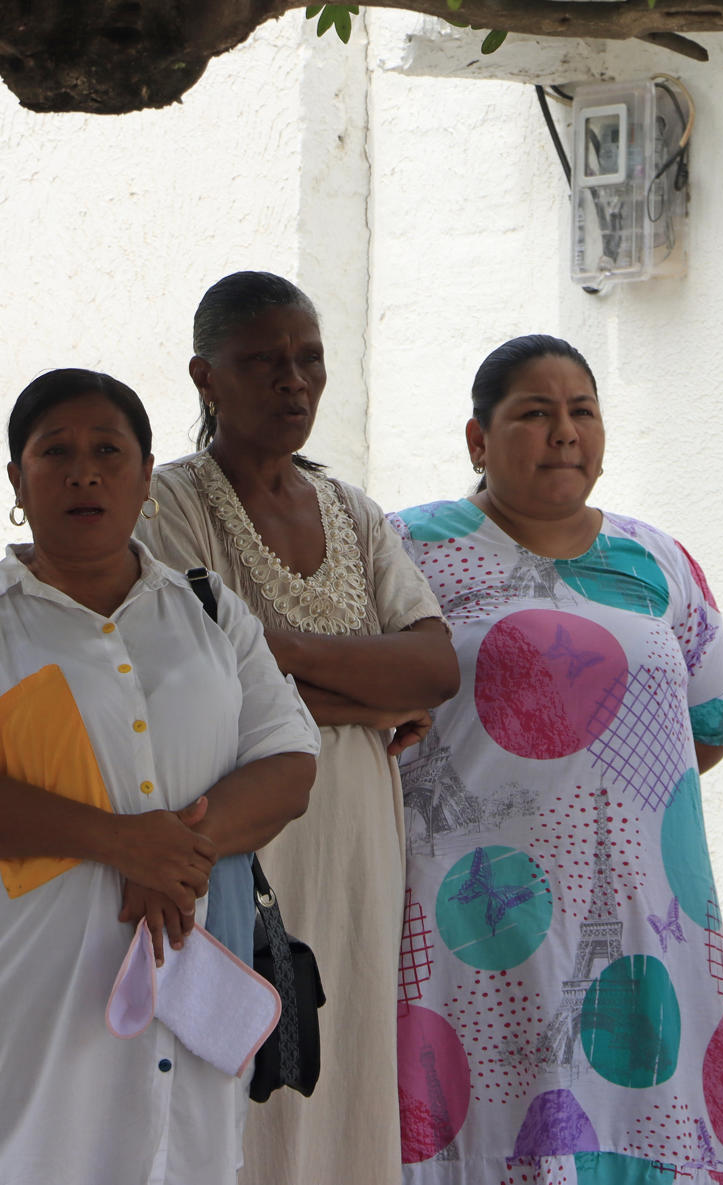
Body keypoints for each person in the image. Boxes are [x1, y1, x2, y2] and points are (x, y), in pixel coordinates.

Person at [0, 368, 321, 1183]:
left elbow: (290, 761)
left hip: (191, 984)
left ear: (147, 475)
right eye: (55, 452)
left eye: (107, 451)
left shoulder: (208, 606)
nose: (84, 470)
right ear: (18, 480)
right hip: (28, 1001)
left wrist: (175, 852)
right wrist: (128, 845)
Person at [388, 334, 723, 1183]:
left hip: (643, 913)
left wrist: (599, 786)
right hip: (469, 914)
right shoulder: (409, 547)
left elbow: (711, 720)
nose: (564, 432)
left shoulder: (658, 560)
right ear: (478, 439)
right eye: (535, 413)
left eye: (582, 411)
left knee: (638, 1121)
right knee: (479, 1128)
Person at [135, 270, 458, 1185]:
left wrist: (273, 650)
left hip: (360, 839)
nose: (294, 380)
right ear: (206, 377)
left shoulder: (355, 512)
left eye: (309, 358)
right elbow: (207, 677)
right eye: (264, 360)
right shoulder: (166, 507)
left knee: (345, 1059)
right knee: (247, 1068)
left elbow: (436, 667)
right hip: (249, 836)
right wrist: (374, 693)